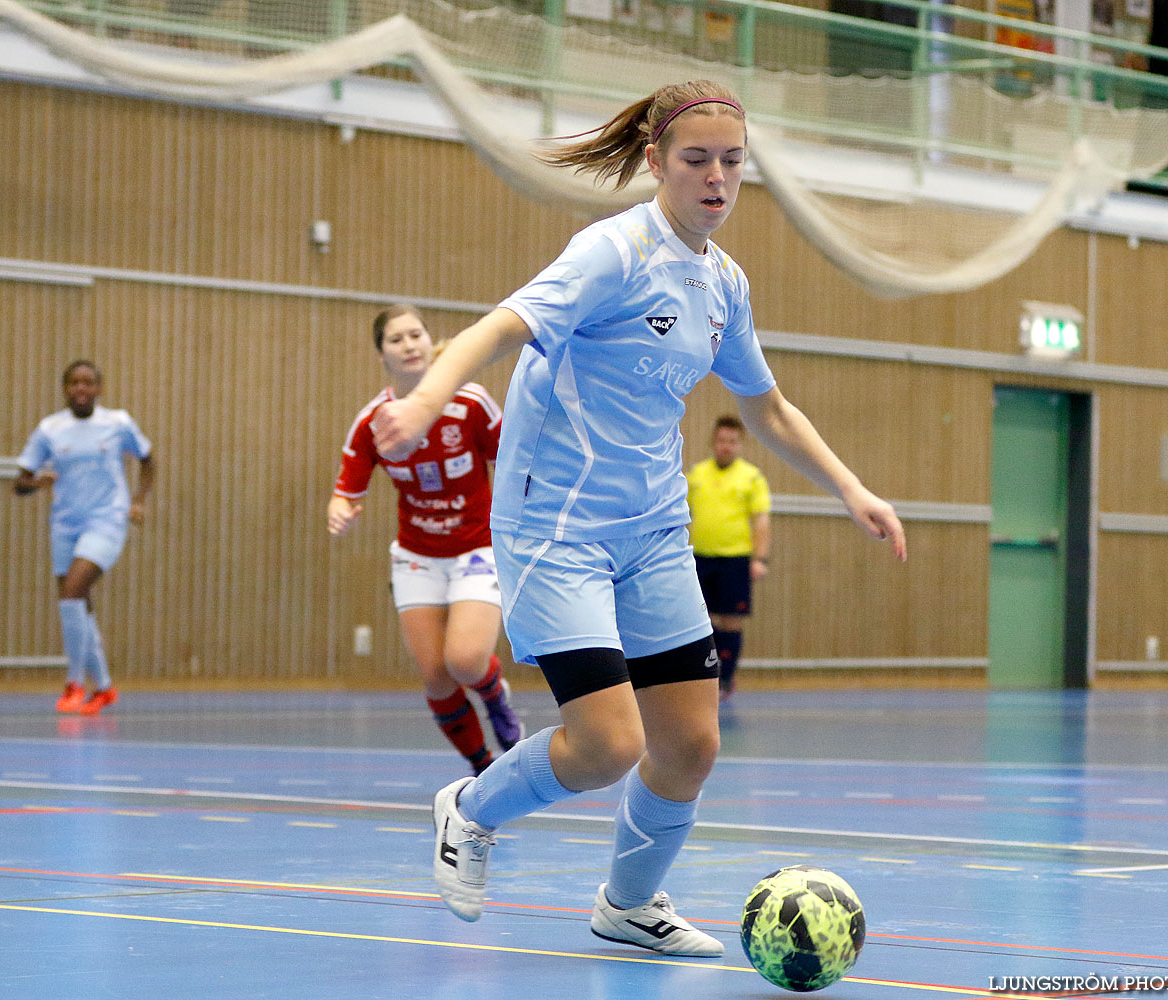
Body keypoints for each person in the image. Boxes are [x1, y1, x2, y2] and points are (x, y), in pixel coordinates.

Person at [372, 80, 907, 957]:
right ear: (656, 162)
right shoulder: (612, 253)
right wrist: (430, 396)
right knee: (608, 742)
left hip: (654, 528)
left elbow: (767, 408)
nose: (717, 178)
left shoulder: (723, 283)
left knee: (691, 744)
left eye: (733, 162)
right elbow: (499, 327)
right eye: (697, 160)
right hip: (557, 528)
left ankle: (629, 904)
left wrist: (853, 489)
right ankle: (469, 810)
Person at [328, 305, 524, 776]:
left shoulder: (470, 402)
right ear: (382, 356)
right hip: (417, 557)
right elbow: (345, 490)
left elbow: (515, 459)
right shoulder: (374, 422)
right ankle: (483, 769)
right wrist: (339, 512)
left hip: (476, 547)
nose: (410, 344)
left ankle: (497, 698)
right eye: (396, 339)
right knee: (436, 677)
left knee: (466, 661)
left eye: (416, 334)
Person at [15, 360, 154, 716]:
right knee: (78, 606)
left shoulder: (117, 424)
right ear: (65, 389)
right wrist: (36, 482)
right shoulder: (50, 429)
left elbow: (148, 459)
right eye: (74, 383)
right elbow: (20, 481)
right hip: (65, 524)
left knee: (73, 591)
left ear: (98, 388)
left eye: (88, 383)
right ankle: (105, 687)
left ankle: (74, 683)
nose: (81, 389)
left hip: (107, 520)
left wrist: (138, 501)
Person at [687, 414, 771, 700]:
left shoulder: (752, 477)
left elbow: (761, 521)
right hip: (699, 559)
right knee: (702, 621)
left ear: (740, 445)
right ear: (714, 442)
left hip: (735, 560)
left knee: (731, 621)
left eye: (732, 442)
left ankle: (727, 678)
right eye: (722, 440)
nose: (726, 446)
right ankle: (705, 678)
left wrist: (759, 559)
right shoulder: (696, 475)